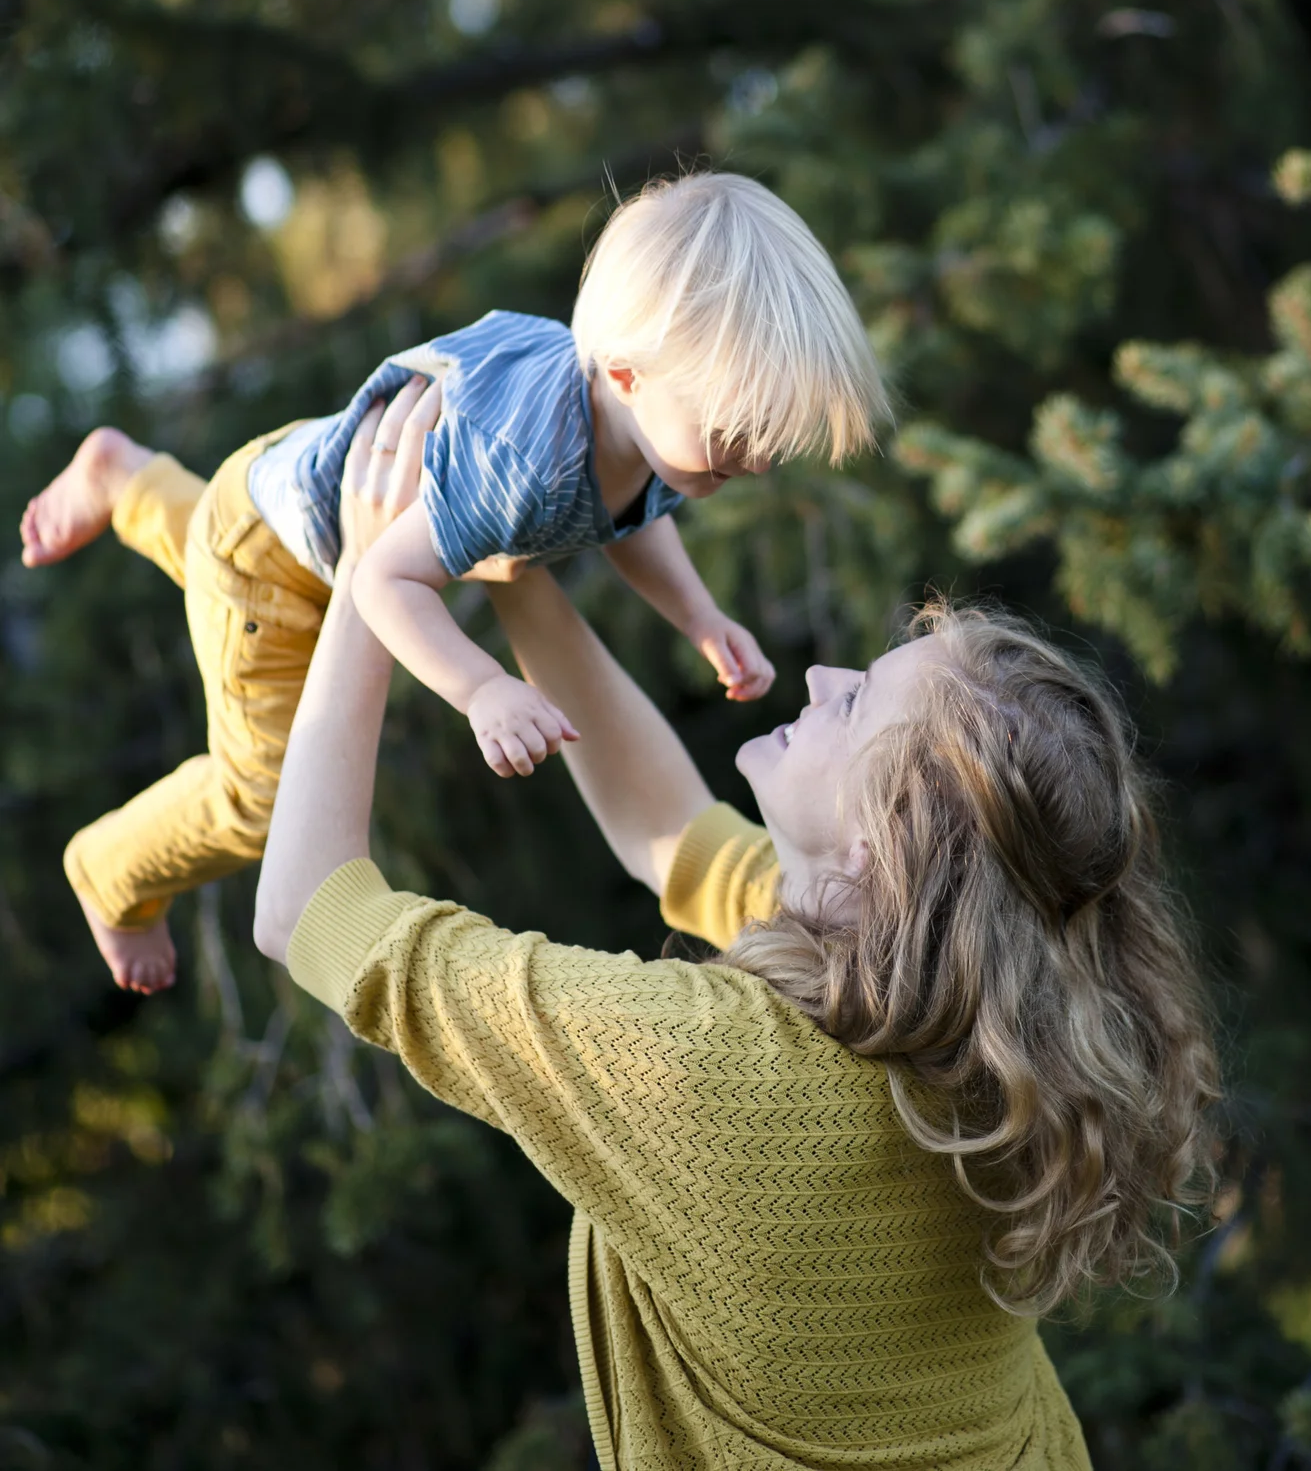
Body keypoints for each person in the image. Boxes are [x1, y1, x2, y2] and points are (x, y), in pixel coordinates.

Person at [251, 377, 1219, 1471]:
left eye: (855, 701)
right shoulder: (969, 1026)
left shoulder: (711, 1071)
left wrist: (369, 572)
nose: (821, 674)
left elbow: (306, 909)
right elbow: (670, 834)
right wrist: (505, 551)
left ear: (883, 845)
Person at [20, 172, 888, 996]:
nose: (758, 461)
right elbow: (382, 580)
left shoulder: (654, 430)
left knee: (233, 544)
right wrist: (483, 689)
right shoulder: (523, 463)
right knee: (264, 798)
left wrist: (698, 615)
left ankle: (130, 482)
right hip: (278, 561)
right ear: (628, 374)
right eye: (737, 434)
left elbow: (631, 514)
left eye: (770, 438)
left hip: (281, 494)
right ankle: (110, 870)